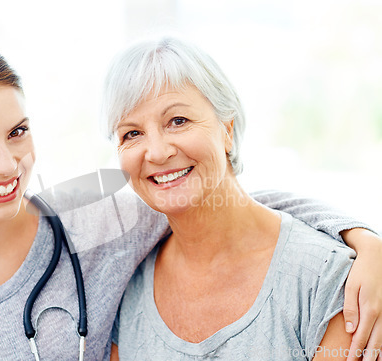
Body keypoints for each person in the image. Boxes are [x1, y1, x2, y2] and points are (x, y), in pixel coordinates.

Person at [0, 35, 379, 361]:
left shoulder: (80, 208)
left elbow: (217, 196)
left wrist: (365, 238)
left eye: (17, 132)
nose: (7, 165)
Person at [105, 36, 382, 360]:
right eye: (132, 133)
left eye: (177, 121)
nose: (157, 151)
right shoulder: (128, 286)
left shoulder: (331, 280)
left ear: (227, 129)